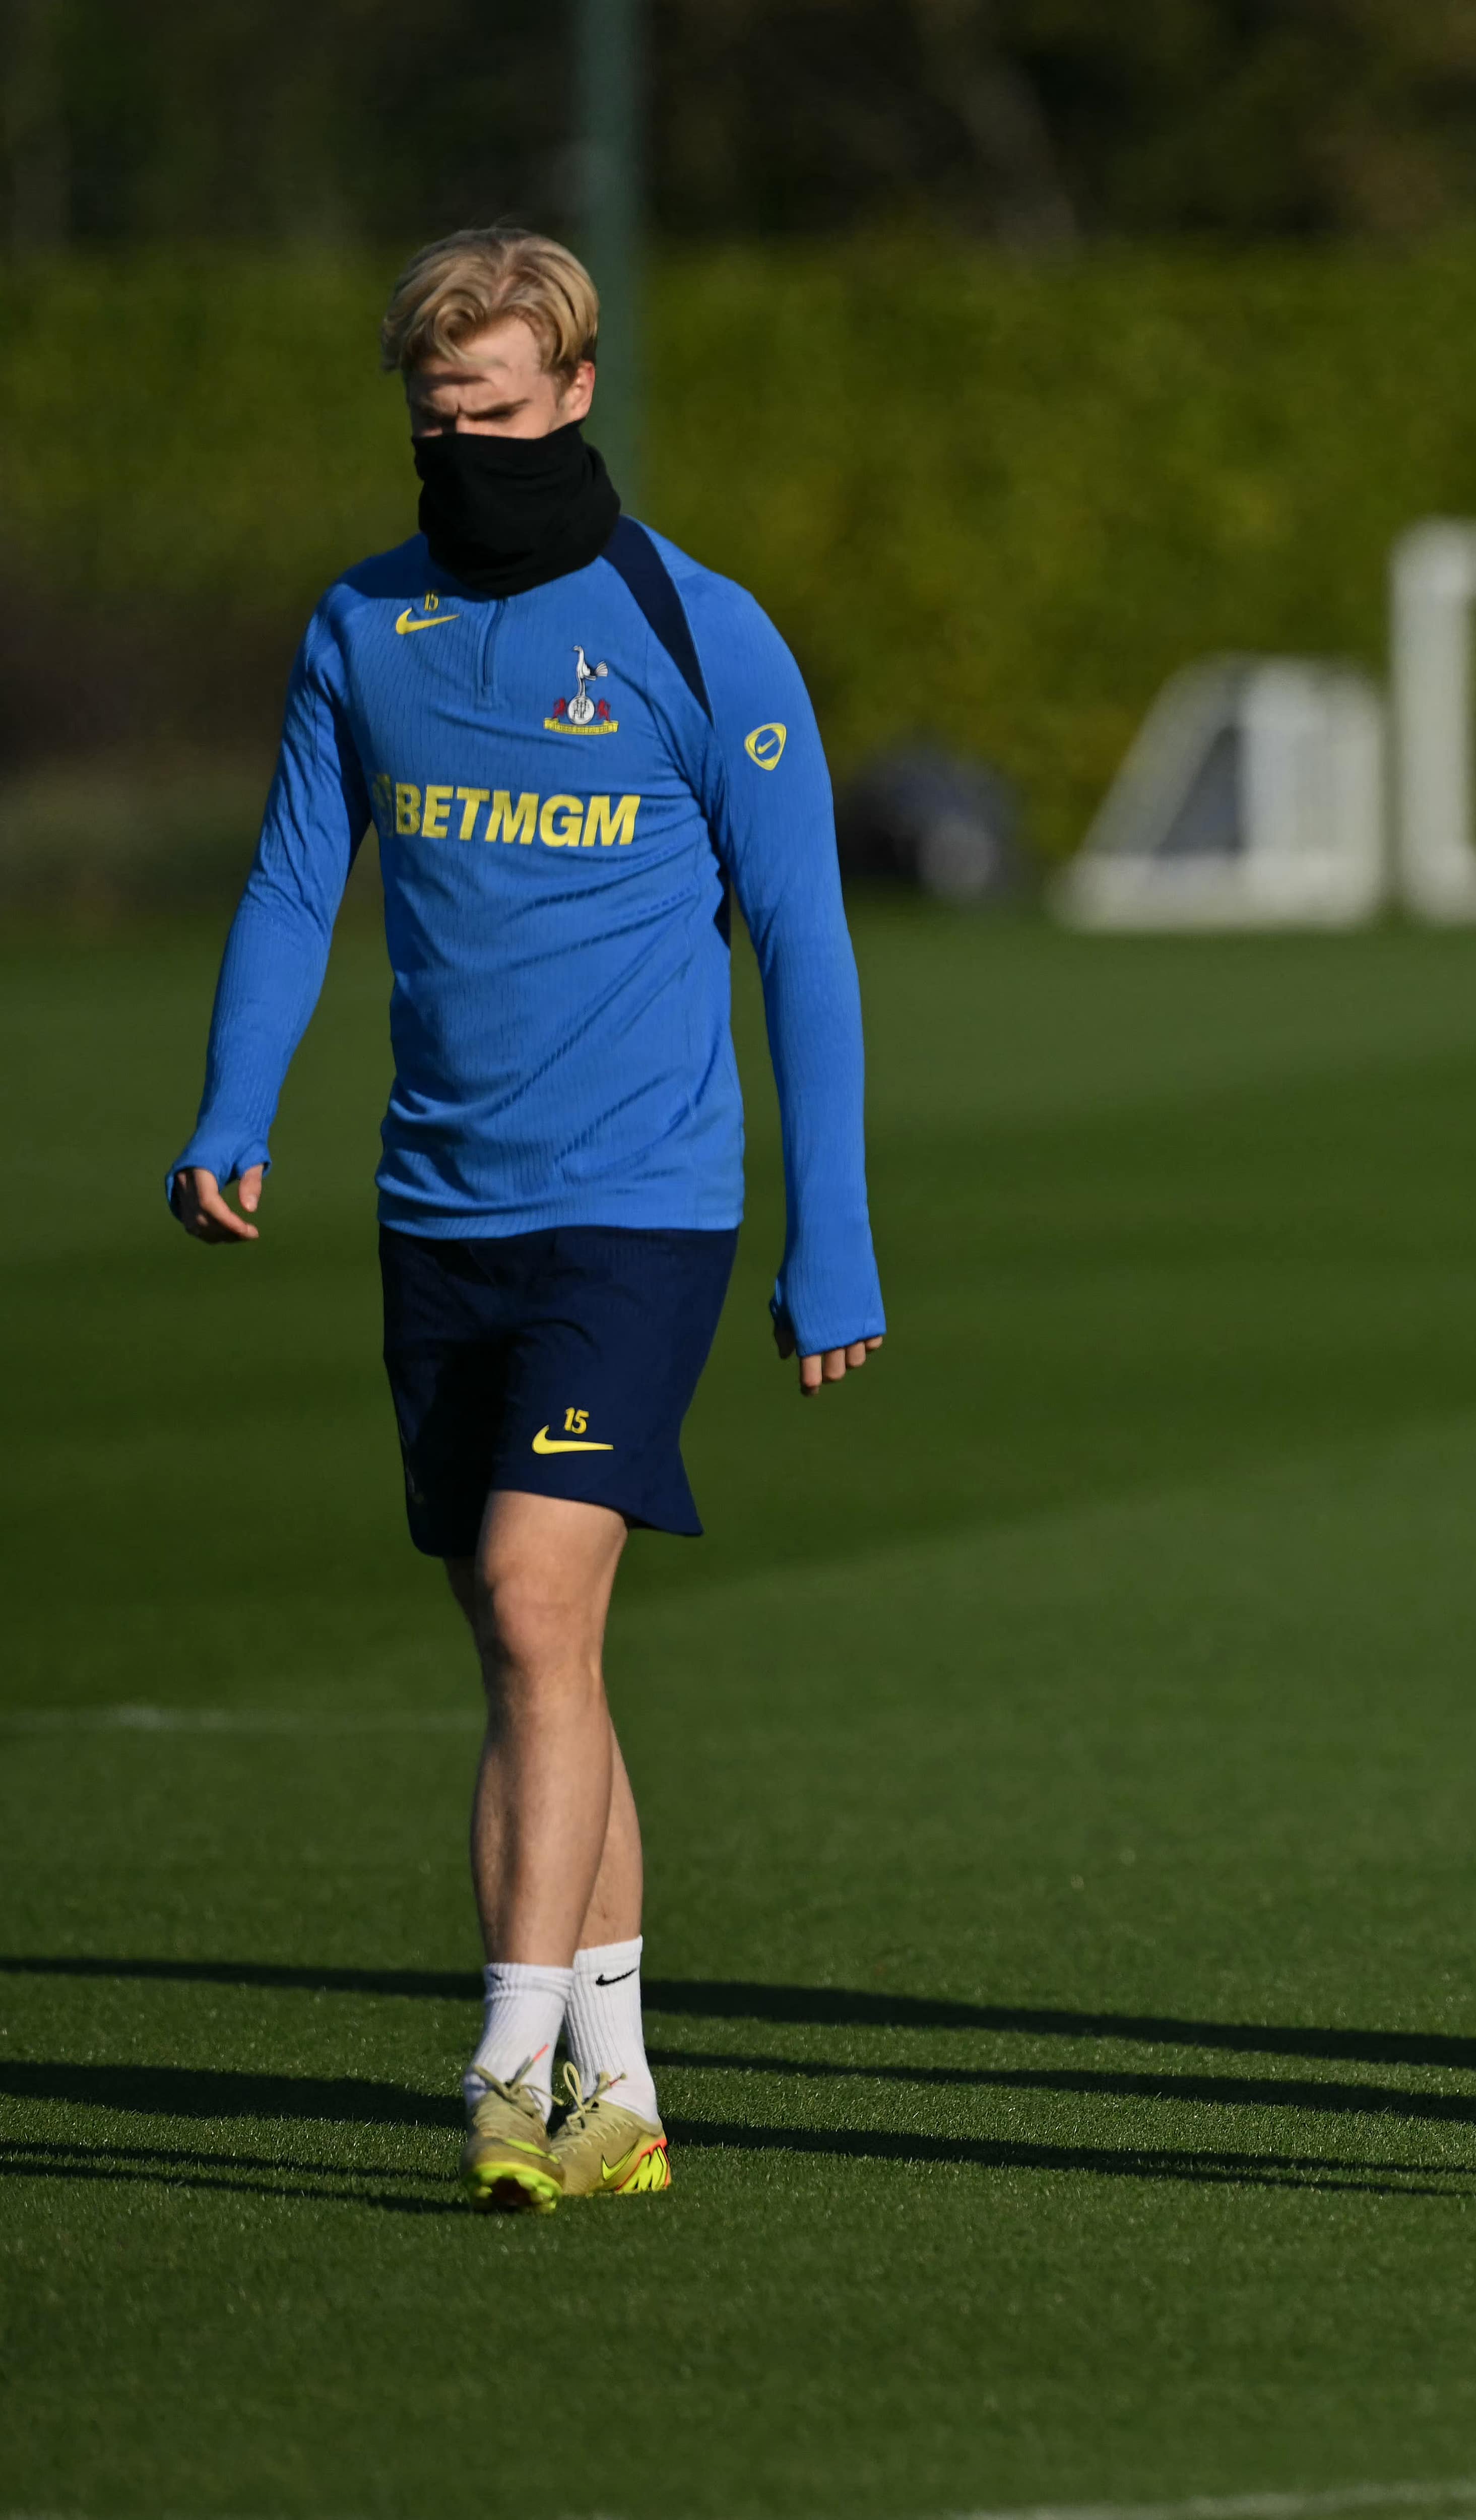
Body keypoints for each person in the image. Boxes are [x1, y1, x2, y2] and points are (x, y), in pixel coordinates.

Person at [168, 228, 884, 2212]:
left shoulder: (697, 631)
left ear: (574, 393)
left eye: (497, 412)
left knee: (532, 1594)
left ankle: (503, 2069)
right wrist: (233, 1107)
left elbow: (804, 942)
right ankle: (619, 2087)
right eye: (437, 419)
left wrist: (832, 1239)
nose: (466, 448)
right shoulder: (364, 625)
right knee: (536, 1653)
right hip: (438, 1209)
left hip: (639, 1207)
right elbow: (294, 882)